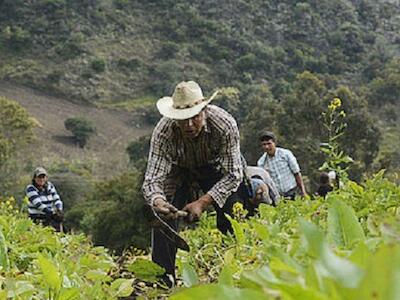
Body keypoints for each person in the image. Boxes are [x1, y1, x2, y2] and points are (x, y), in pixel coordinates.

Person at [142, 81, 244, 287]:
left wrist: (202, 202)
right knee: (163, 215)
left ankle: (230, 264)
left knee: (231, 207)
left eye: (194, 118)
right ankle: (163, 277)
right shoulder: (163, 132)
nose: (188, 126)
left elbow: (233, 174)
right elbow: (152, 179)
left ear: (204, 111)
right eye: (183, 120)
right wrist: (158, 200)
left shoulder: (224, 124)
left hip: (214, 167)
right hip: (178, 168)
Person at [257, 131, 307, 199]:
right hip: (278, 196)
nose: (267, 147)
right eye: (264, 144)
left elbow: (296, 173)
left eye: (269, 143)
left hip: (293, 191)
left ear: (274, 143)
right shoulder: (261, 162)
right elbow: (264, 182)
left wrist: (303, 192)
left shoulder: (286, 154)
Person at [26, 167, 64, 232]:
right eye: (39, 177)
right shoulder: (31, 188)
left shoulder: (50, 186)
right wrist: (52, 213)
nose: (41, 179)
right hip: (36, 217)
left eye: (43, 177)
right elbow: (38, 204)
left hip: (49, 217)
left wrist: (59, 209)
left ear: (46, 178)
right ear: (35, 178)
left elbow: (56, 198)